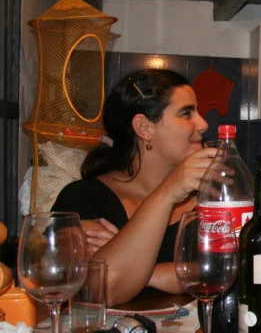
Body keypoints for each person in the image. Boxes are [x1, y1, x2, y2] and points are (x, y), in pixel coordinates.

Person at [52, 69, 216, 306]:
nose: (203, 124)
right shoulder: (83, 199)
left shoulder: (213, 198)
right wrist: (168, 191)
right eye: (186, 113)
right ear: (144, 127)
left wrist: (137, 269)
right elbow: (101, 289)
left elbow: (223, 273)